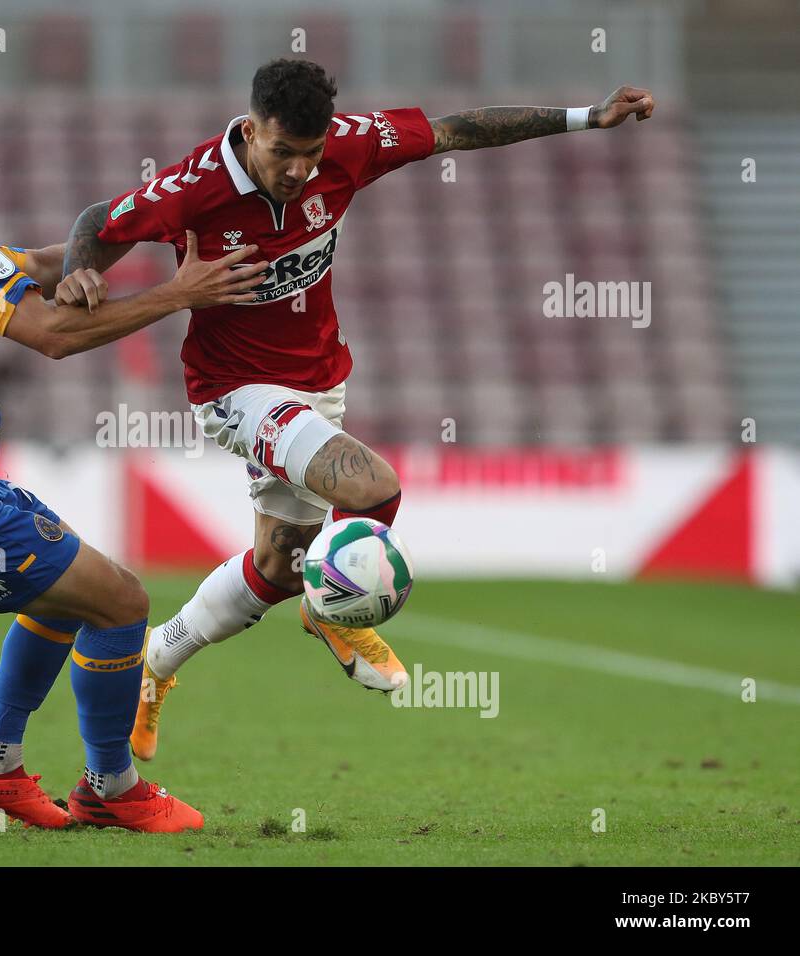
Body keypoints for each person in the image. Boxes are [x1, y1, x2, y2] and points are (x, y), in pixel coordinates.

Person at [60, 58, 655, 760]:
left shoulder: (348, 144)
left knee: (278, 566)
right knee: (374, 488)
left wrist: (588, 116)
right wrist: (79, 269)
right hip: (235, 390)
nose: (296, 172)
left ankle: (156, 665)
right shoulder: (195, 188)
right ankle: (332, 613)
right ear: (251, 131)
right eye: (281, 153)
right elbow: (101, 220)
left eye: (309, 156)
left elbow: (457, 131)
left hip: (317, 384)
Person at [0, 85, 267, 829]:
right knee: (124, 603)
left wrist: (132, 234)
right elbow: (53, 336)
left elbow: (39, 264)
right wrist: (180, 293)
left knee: (64, 602)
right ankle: (110, 786)